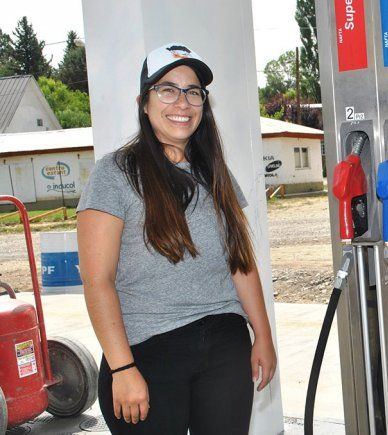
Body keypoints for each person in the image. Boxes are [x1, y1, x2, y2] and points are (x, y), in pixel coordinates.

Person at [77, 42, 276, 434]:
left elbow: (239, 262)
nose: (182, 102)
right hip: (147, 352)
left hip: (225, 344)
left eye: (193, 92)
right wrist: (122, 367)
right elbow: (97, 280)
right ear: (144, 102)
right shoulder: (115, 174)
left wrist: (263, 335)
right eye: (167, 90)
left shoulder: (214, 172)